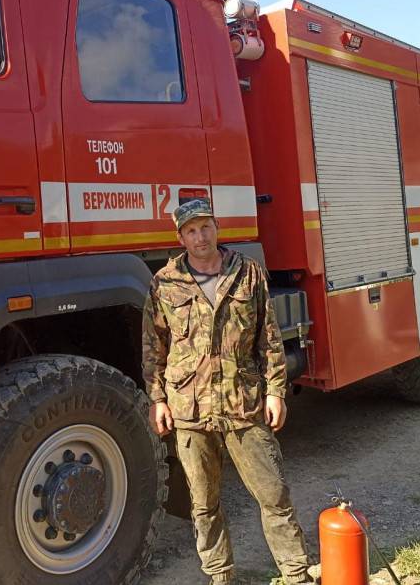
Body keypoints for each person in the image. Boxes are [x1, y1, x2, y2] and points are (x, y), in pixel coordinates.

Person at [142, 198, 313, 584]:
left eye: (205, 227)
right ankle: (220, 577)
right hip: (189, 408)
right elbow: (154, 347)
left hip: (244, 403)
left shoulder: (247, 273)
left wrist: (276, 392)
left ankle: (296, 574)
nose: (199, 237)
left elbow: (269, 337)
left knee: (274, 495)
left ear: (217, 227)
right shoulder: (164, 283)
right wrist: (157, 399)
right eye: (190, 230)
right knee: (203, 504)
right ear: (181, 237)